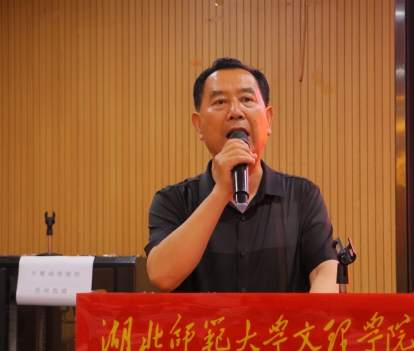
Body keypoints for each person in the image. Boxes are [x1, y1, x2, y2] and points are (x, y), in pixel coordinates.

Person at [144, 57, 339, 293]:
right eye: (220, 101)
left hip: (283, 321)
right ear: (198, 125)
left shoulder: (303, 196)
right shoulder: (172, 201)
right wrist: (220, 192)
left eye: (247, 99)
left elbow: (326, 271)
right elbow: (162, 276)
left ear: (268, 119)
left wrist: (309, 315)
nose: (235, 112)